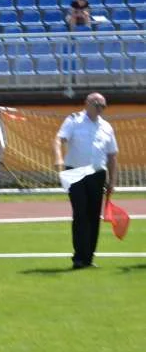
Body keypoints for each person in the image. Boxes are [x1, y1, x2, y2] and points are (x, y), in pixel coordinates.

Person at [53, 92, 118, 270]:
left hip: (97, 174)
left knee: (93, 216)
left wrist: (112, 181)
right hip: (75, 171)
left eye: (103, 106)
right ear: (87, 103)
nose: (100, 109)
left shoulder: (107, 127)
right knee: (80, 213)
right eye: (97, 105)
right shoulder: (74, 120)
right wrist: (58, 158)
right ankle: (79, 258)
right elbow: (59, 139)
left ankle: (89, 257)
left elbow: (112, 155)